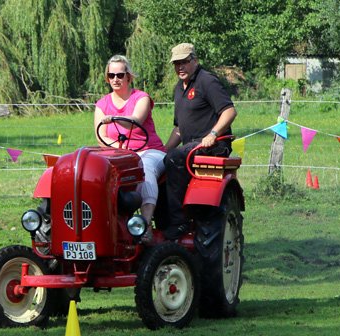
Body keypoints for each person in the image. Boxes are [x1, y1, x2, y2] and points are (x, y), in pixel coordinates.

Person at [163, 43, 237, 240]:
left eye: (184, 62)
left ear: (195, 60)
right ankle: (160, 220)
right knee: (164, 159)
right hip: (190, 145)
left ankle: (179, 222)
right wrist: (163, 148)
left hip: (214, 145)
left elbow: (229, 111)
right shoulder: (179, 88)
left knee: (174, 158)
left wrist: (213, 133)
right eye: (176, 63)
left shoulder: (207, 81)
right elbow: (179, 128)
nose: (180, 67)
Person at [93, 55, 166, 241]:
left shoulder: (141, 98)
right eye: (111, 75)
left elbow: (136, 121)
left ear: (129, 77)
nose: (115, 79)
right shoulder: (102, 104)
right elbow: (101, 137)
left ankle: (144, 225)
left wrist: (115, 119)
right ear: (107, 78)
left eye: (120, 74)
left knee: (145, 167)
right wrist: (119, 148)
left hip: (148, 150)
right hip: (119, 154)